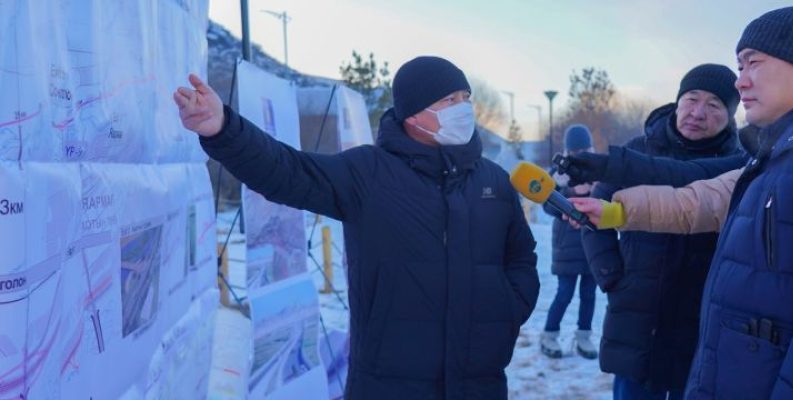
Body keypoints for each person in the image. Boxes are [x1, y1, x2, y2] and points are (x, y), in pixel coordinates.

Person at [574, 6, 793, 398]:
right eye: (740, 66)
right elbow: (697, 199)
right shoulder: (791, 145)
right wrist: (615, 221)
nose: (741, 81)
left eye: (753, 63)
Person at [173, 56, 539, 400]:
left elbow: (521, 255)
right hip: (389, 382)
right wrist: (223, 129)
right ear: (414, 114)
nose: (464, 108)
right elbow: (287, 171)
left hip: (480, 381)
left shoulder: (493, 181)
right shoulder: (368, 173)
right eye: (449, 99)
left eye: (465, 98)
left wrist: (507, 311)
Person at [582, 64, 742, 400]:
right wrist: (612, 277)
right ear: (677, 101)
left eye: (714, 105)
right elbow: (594, 217)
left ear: (730, 115)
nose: (698, 112)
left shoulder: (739, 165)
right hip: (638, 316)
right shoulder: (637, 153)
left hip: (700, 320)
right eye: (691, 99)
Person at [539, 124, 599, 360]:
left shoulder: (599, 169)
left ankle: (584, 336)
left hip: (594, 240)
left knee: (589, 293)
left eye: (585, 148)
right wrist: (570, 191)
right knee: (564, 292)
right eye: (576, 150)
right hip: (567, 243)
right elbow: (546, 204)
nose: (580, 154)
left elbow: (609, 198)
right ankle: (549, 335)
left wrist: (594, 189)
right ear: (568, 150)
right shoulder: (557, 173)